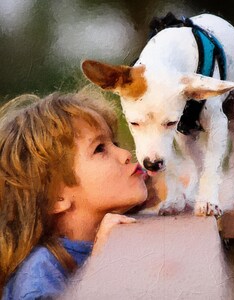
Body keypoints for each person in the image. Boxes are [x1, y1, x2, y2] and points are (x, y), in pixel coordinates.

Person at [0, 91, 148, 299]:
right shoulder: (39, 272)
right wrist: (99, 267)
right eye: (99, 149)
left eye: (115, 143)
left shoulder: (103, 237)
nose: (125, 154)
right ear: (55, 197)